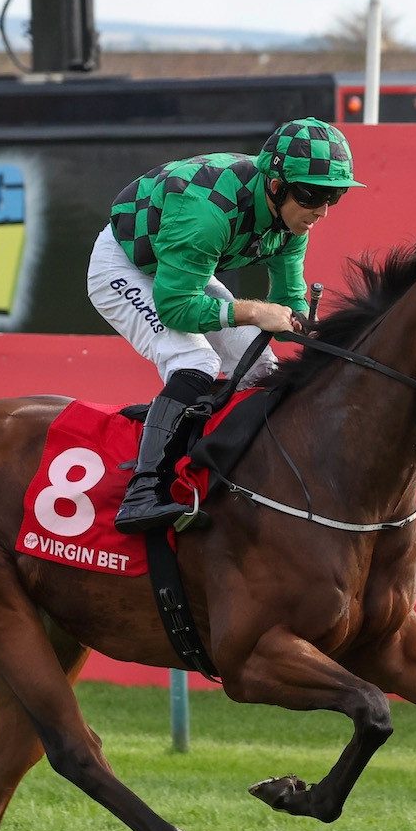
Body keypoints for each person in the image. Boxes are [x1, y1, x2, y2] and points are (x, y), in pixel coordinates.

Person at [88, 116, 364, 533]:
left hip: (177, 267)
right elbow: (177, 309)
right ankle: (143, 493)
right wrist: (254, 311)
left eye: (335, 196)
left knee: (261, 368)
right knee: (193, 359)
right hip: (126, 266)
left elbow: (290, 302)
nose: (322, 211)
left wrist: (322, 337)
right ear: (276, 185)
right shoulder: (205, 215)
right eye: (313, 195)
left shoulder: (293, 220)